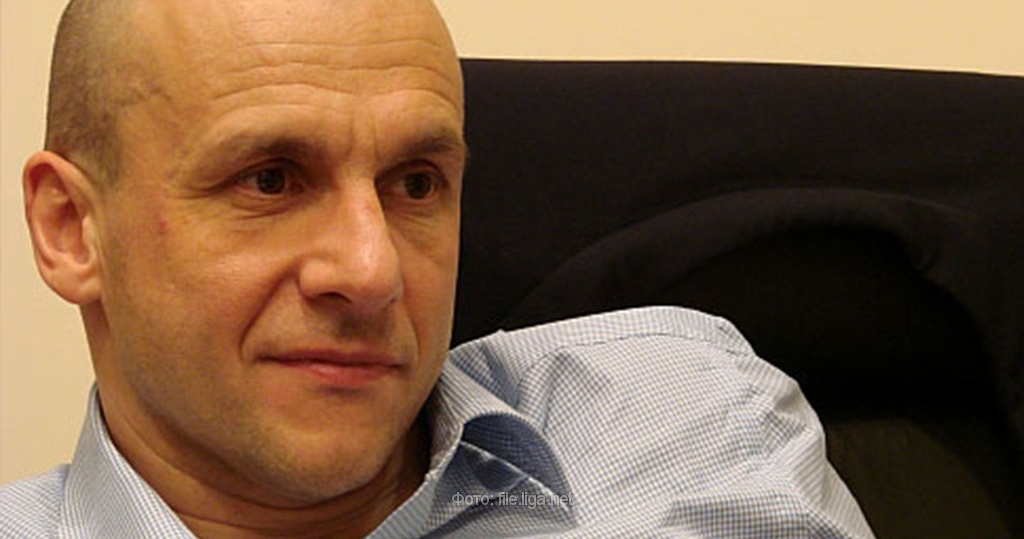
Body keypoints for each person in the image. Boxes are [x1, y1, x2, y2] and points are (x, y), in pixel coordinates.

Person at [0, 0, 875, 537]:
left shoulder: (702, 422)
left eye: (416, 183)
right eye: (270, 179)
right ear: (72, 228)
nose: (373, 269)